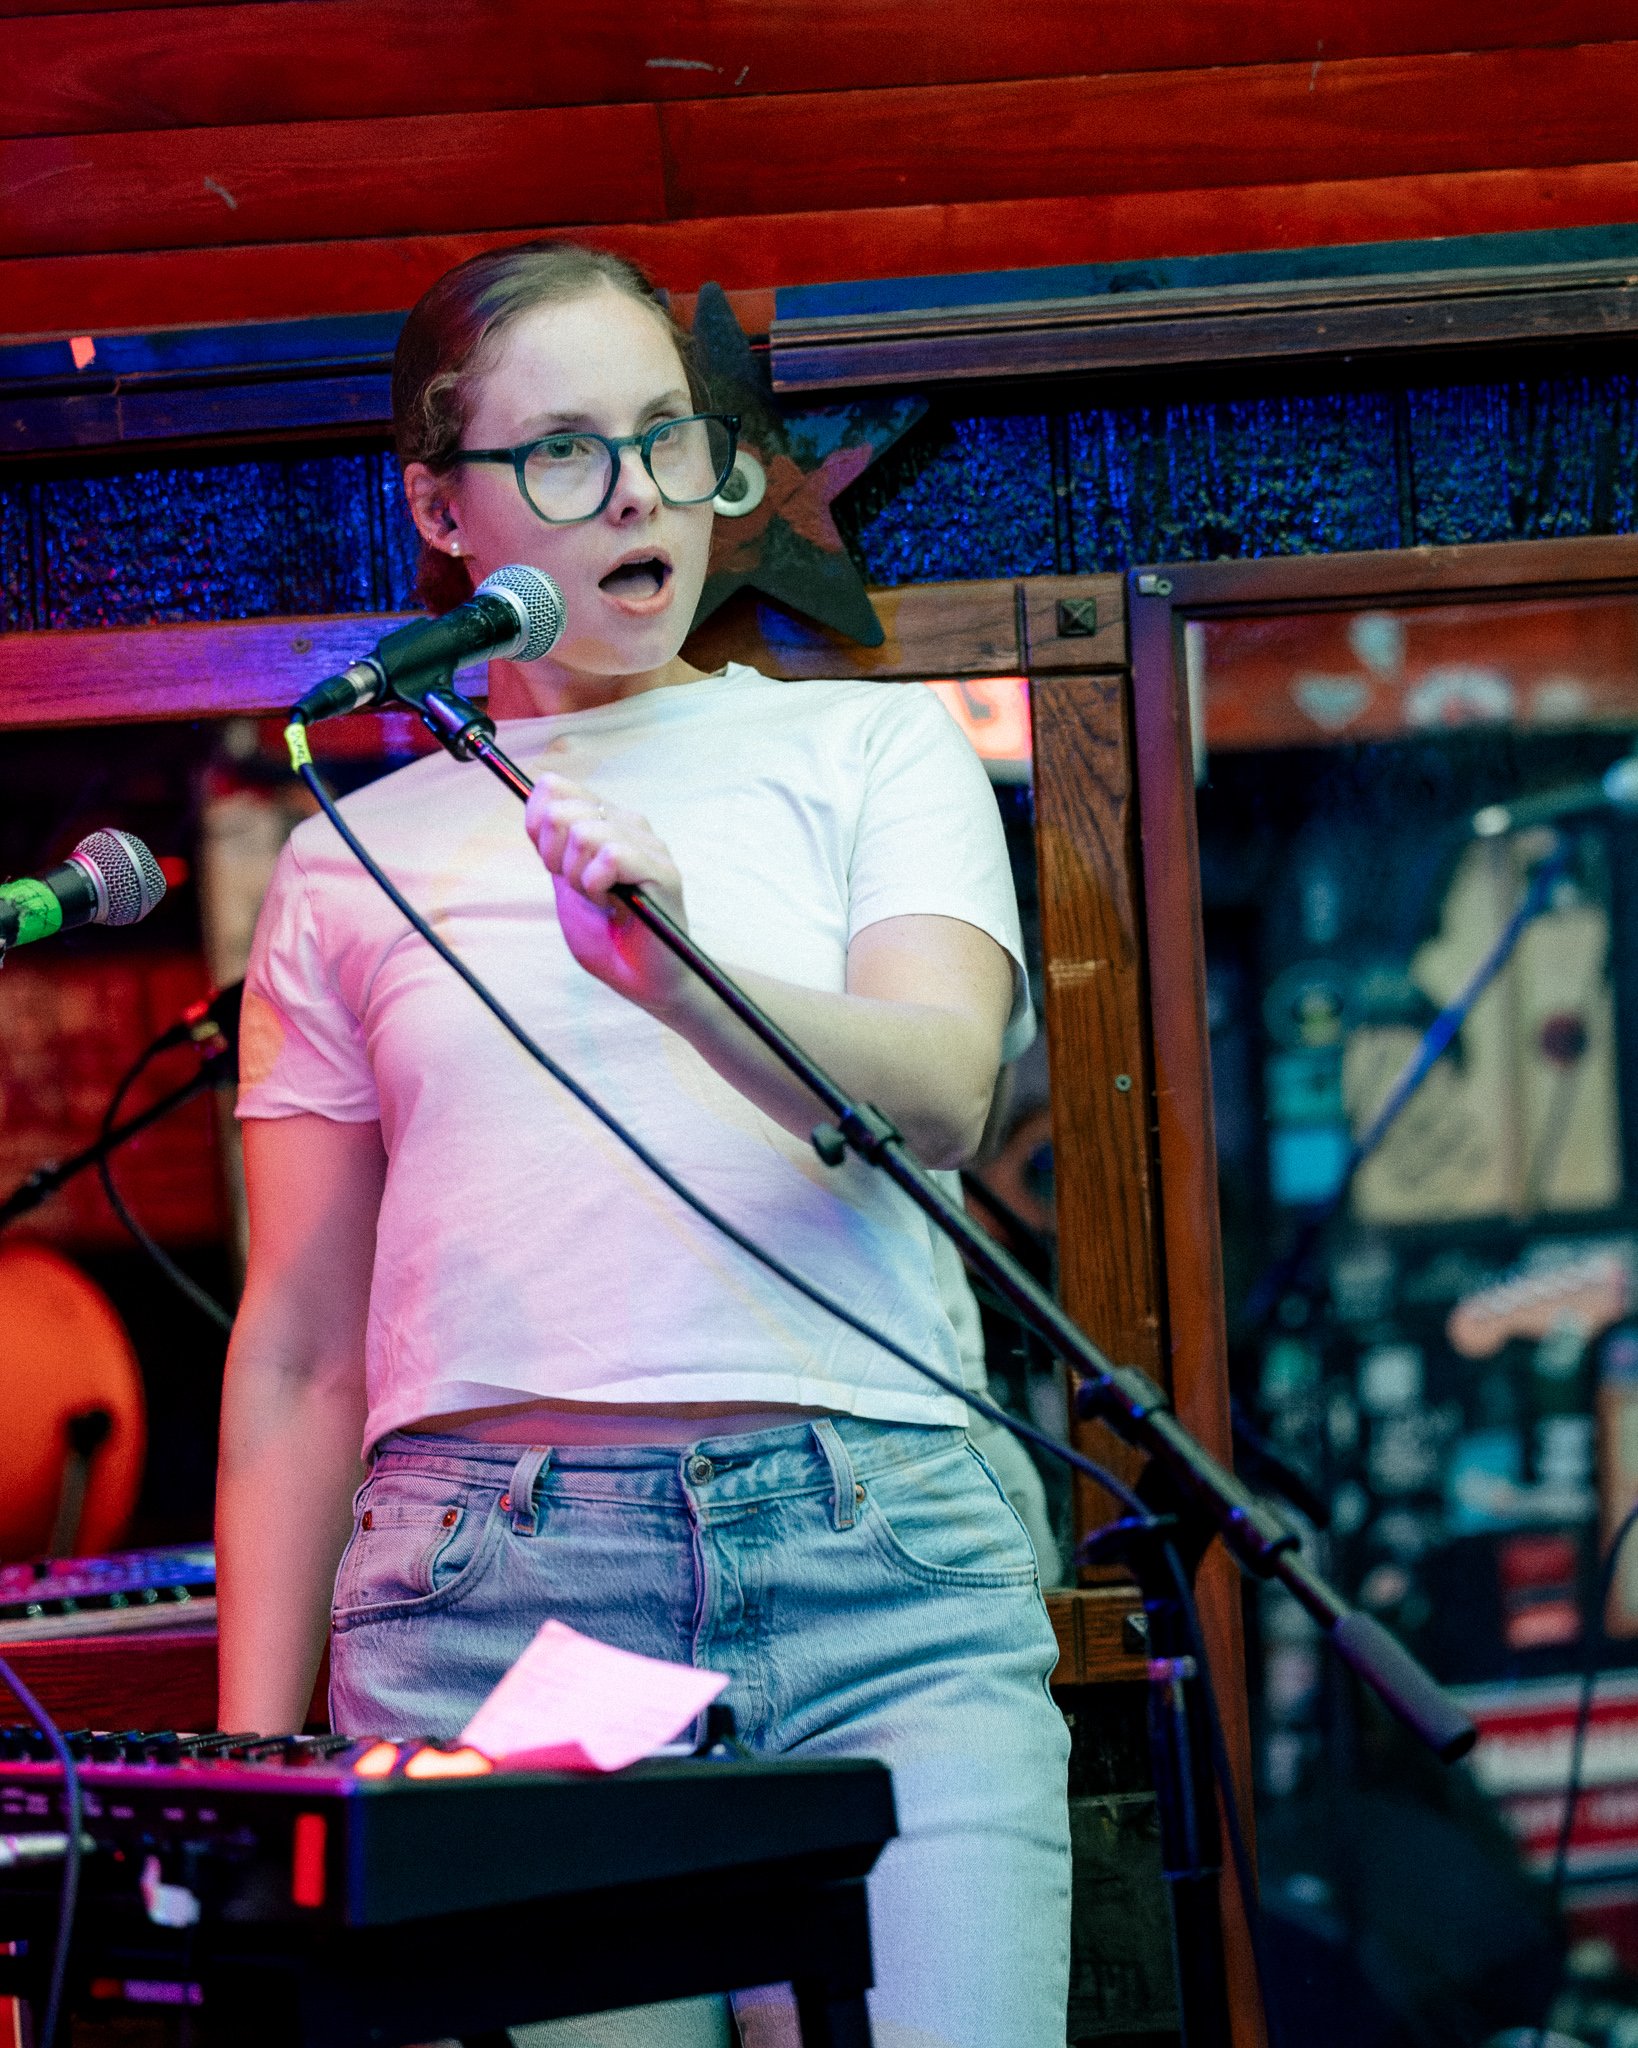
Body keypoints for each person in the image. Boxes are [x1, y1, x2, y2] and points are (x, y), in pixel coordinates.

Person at [216, 240, 1070, 2048]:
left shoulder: (866, 749)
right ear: (438, 510)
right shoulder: (343, 856)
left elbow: (934, 1090)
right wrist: (248, 1763)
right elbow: (297, 1345)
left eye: (669, 437)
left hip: (879, 1565)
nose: (637, 494)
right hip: (504, 1599)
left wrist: (674, 975)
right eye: (562, 452)